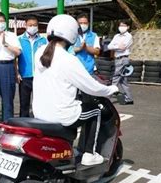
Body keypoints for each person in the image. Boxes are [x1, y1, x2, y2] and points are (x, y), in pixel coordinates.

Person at [32, 15, 118, 166]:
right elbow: (91, 87)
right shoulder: (68, 59)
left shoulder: (39, 52)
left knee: (84, 108)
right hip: (61, 115)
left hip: (39, 112)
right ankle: (89, 154)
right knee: (96, 110)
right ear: (71, 34)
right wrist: (111, 89)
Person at [16, 16, 47, 117]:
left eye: (35, 25)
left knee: (40, 104)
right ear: (26, 26)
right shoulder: (19, 39)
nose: (32, 27)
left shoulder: (43, 40)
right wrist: (16, 73)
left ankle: (40, 126)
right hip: (24, 77)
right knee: (24, 104)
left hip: (40, 77)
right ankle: (23, 128)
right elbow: (14, 58)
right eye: (30, 25)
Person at [108, 21, 134, 105]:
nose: (121, 27)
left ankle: (109, 95)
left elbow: (123, 48)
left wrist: (116, 47)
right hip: (117, 58)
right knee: (123, 80)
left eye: (124, 25)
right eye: (120, 25)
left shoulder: (129, 36)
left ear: (128, 27)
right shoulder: (116, 36)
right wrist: (118, 46)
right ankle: (129, 98)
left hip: (124, 58)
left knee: (116, 76)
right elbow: (109, 46)